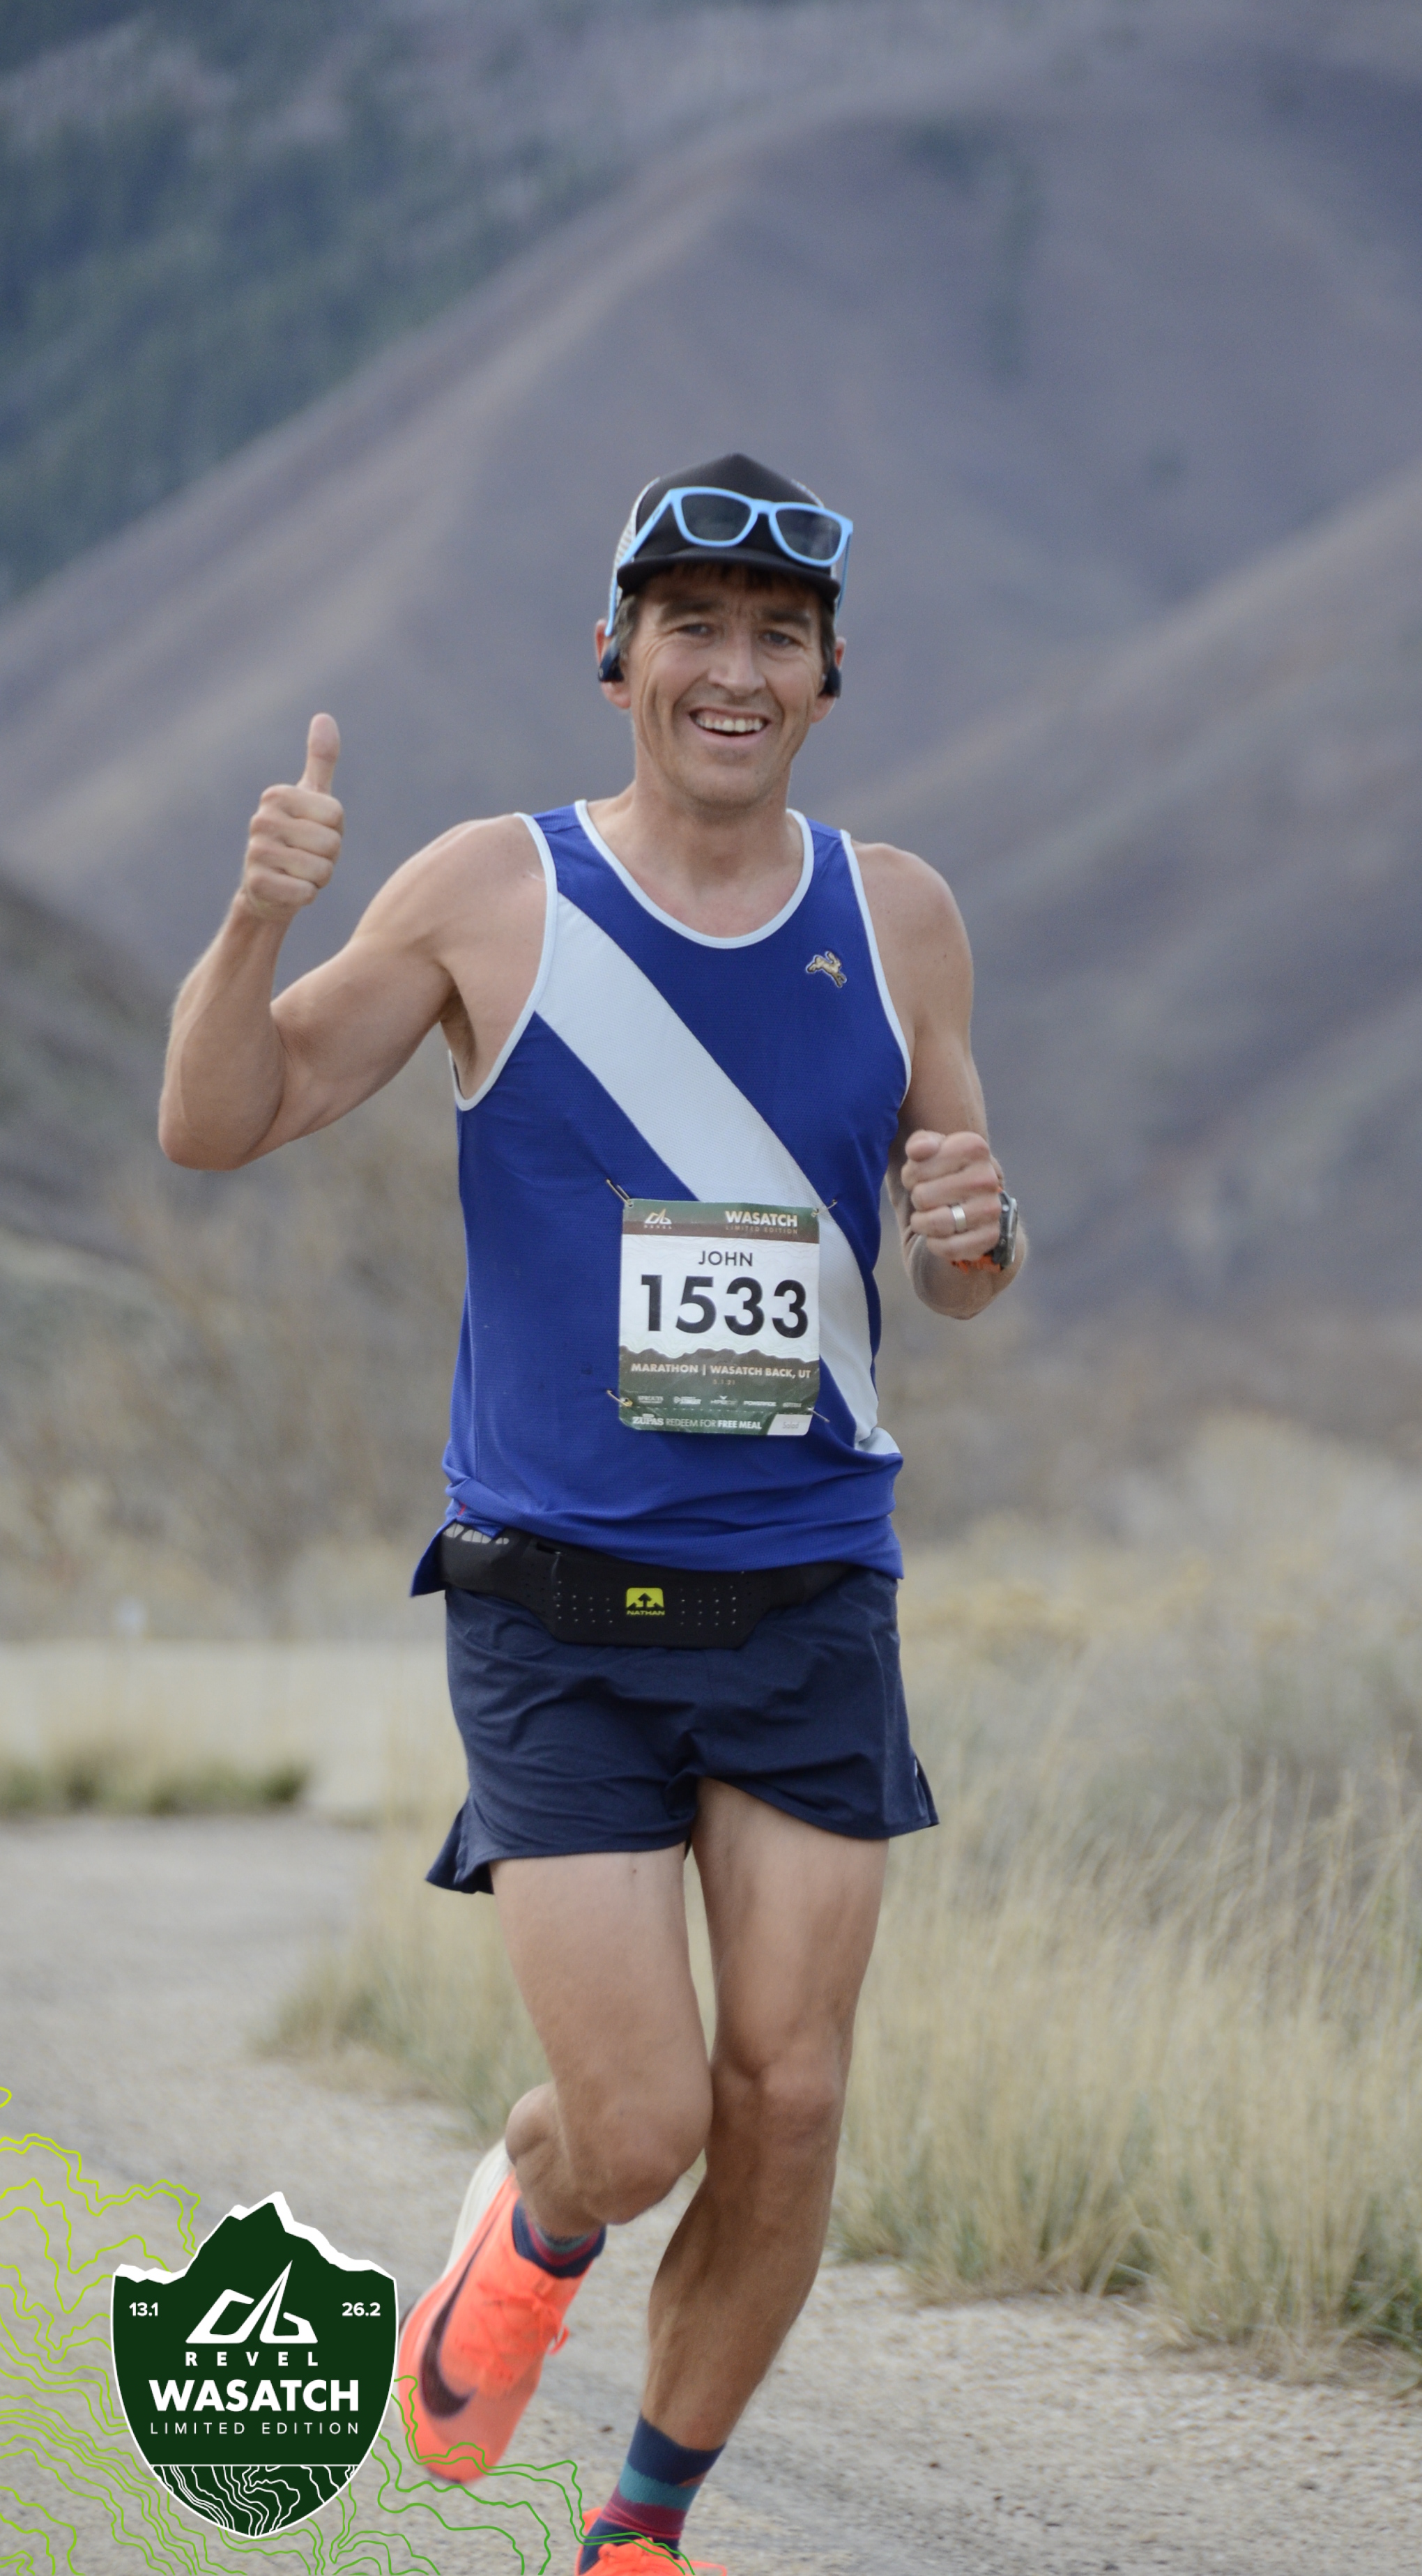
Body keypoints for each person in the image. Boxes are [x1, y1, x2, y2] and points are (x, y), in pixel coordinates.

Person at [158, 452, 1023, 2573]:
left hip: (807, 1589)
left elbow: (961, 1261)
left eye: (778, 637)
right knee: (640, 2125)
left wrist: (978, 1237)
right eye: (692, 628)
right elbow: (220, 1120)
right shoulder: (491, 893)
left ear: (829, 678)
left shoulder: (899, 915)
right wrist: (261, 913)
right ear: (618, 658)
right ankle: (532, 2226)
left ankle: (641, 2526)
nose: (736, 670)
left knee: (789, 2100)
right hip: (555, 1603)